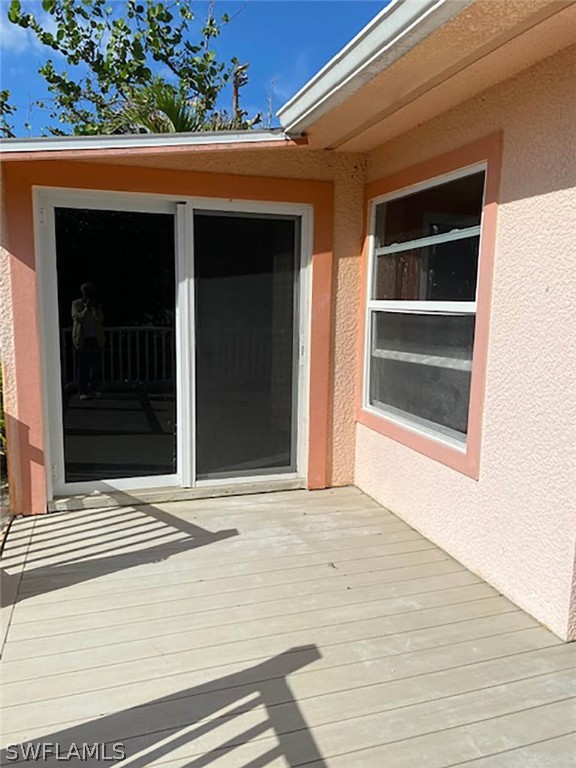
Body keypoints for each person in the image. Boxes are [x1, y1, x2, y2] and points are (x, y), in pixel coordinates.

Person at [72, 283, 104, 400]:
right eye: (85, 291)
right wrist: (86, 308)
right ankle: (82, 391)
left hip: (95, 338)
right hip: (82, 339)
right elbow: (77, 317)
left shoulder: (96, 305)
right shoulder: (76, 304)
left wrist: (94, 309)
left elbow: (100, 319)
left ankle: (93, 389)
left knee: (95, 366)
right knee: (83, 366)